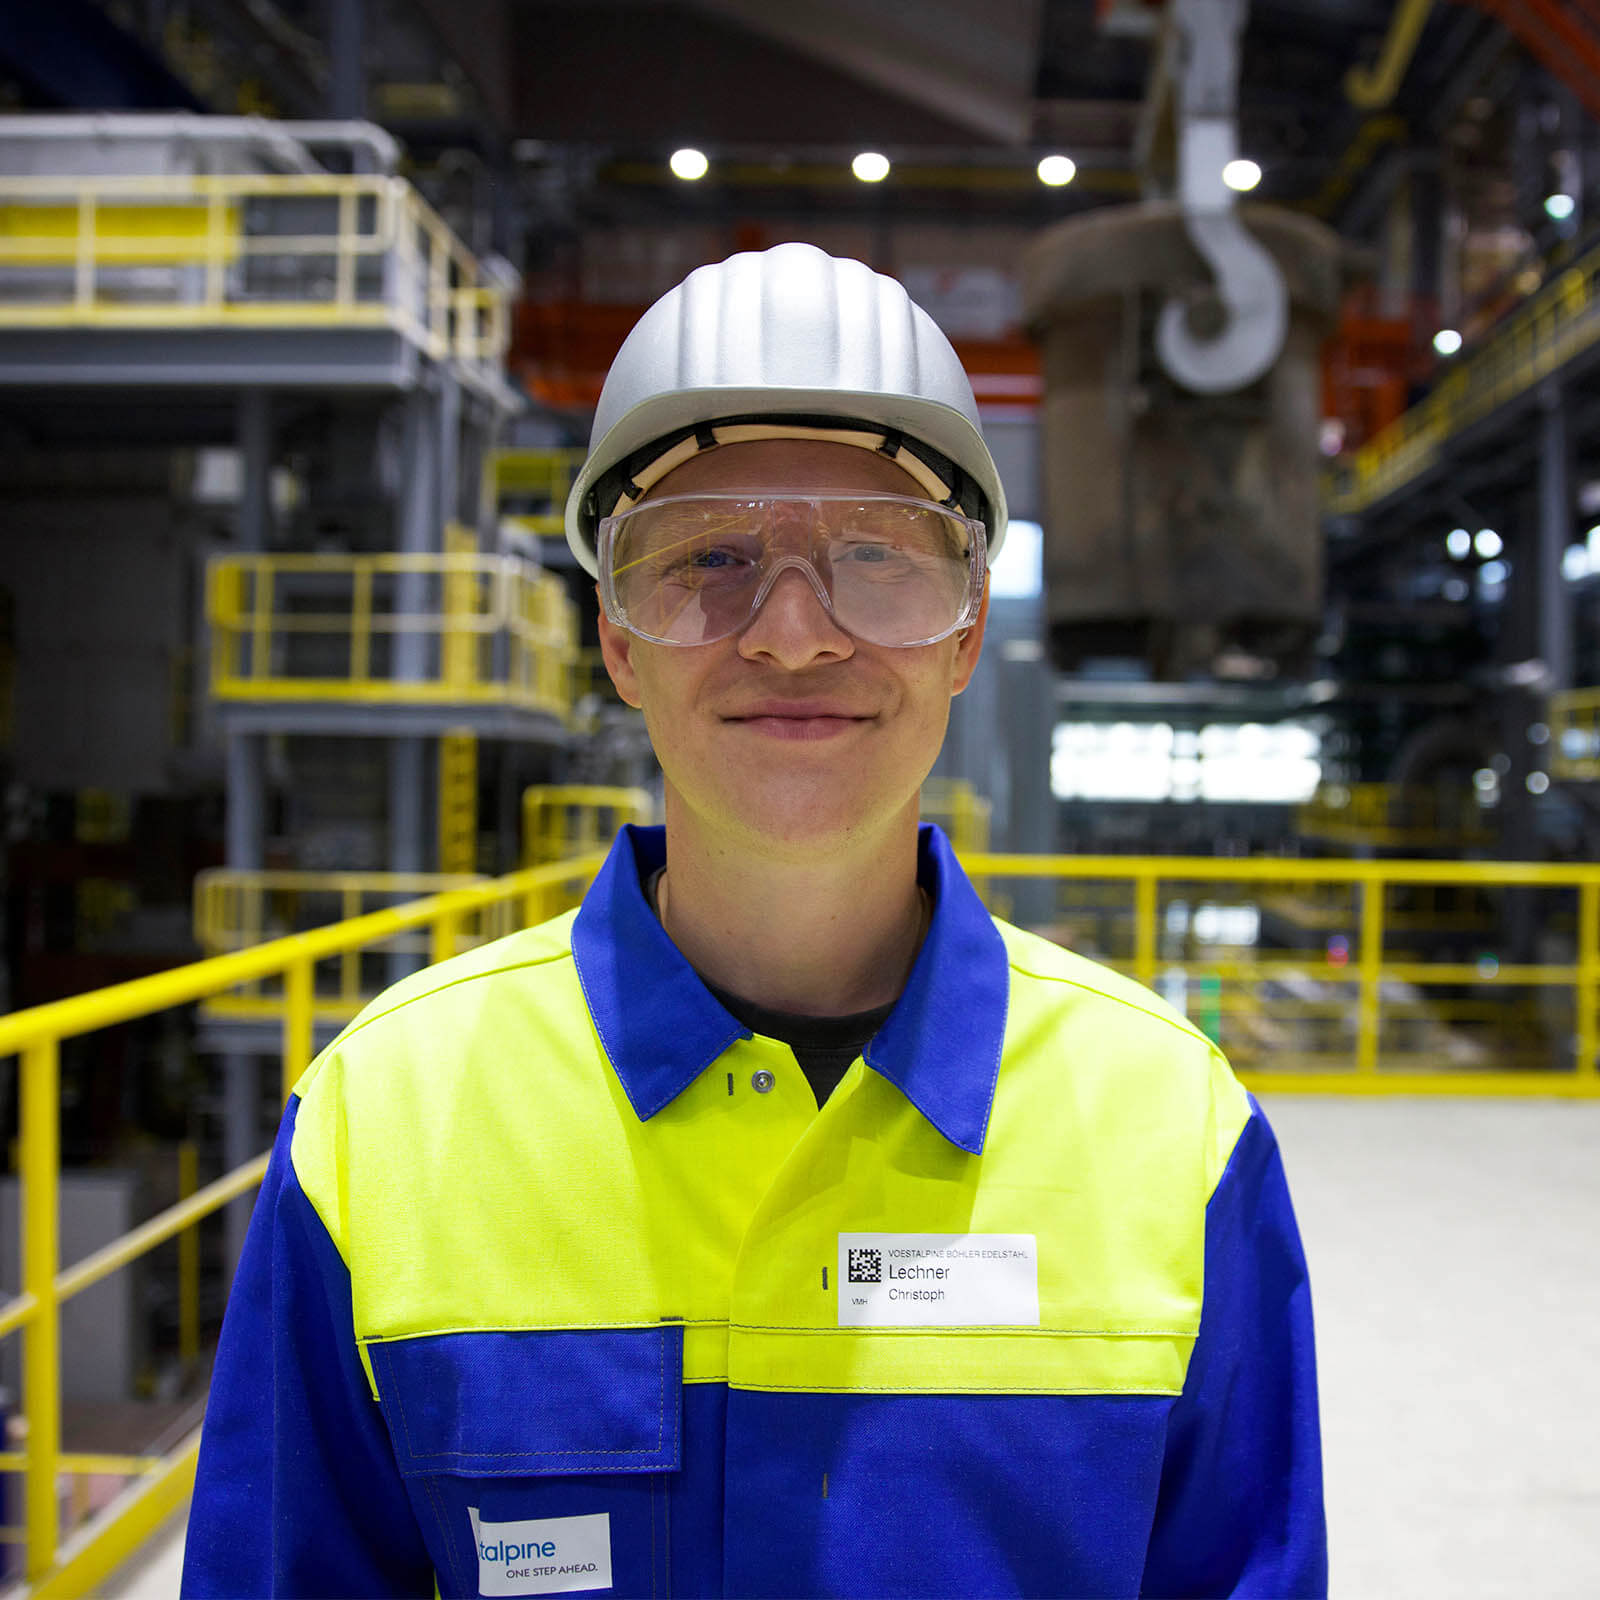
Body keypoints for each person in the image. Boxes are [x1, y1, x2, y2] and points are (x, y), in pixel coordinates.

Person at [182, 242, 1327, 1598]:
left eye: (876, 558)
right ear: (616, 637)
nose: (792, 634)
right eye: (711, 558)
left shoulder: (1170, 1132)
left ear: (964, 636)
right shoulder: (387, 1124)